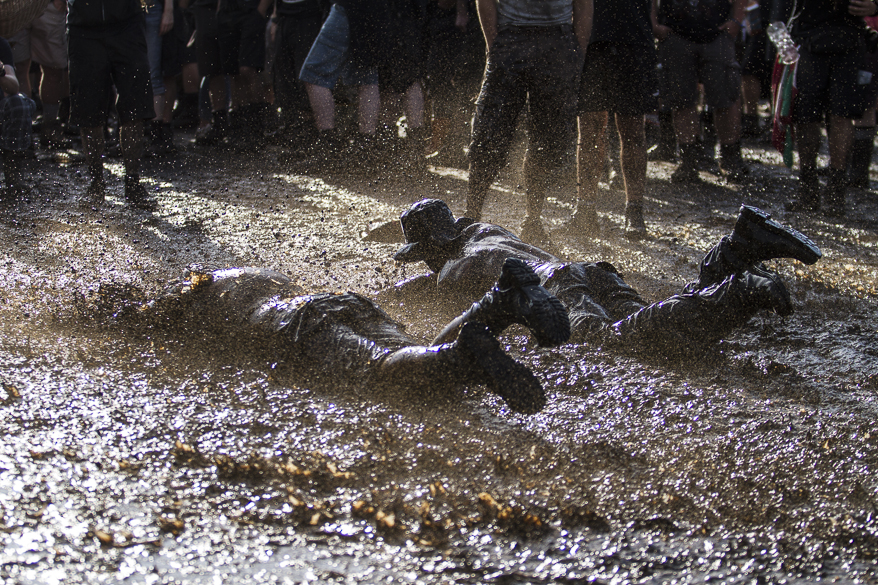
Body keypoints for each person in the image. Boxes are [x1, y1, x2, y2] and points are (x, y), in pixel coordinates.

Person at [136, 259, 572, 414]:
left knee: (378, 369)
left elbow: (149, 317)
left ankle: (465, 356)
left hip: (298, 321)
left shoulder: (202, 294)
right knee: (411, 351)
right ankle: (497, 302)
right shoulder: (253, 276)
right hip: (343, 301)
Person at [392, 199, 822, 355]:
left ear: (430, 250)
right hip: (588, 271)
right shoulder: (485, 232)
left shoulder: (452, 270)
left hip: (558, 287)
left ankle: (741, 288)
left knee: (611, 340)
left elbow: (442, 295)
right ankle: (739, 250)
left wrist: (400, 294)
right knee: (656, 327)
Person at [464, 0, 592, 247]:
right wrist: (495, 46)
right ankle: (470, 218)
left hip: (558, 39)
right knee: (488, 132)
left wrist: (577, 50)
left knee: (548, 139)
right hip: (512, 35)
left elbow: (584, 3)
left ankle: (532, 220)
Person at [573, 0, 659, 239]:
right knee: (589, 130)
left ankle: (635, 213)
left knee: (632, 130)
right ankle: (585, 212)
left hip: (633, 41)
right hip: (592, 41)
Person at [785, 0, 878, 216]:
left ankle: (836, 193)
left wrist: (875, 6)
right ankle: (808, 188)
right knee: (805, 117)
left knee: (842, 115)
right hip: (808, 37)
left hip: (849, 41)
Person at [66, 0, 157, 210]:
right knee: (88, 110)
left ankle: (133, 181)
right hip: (83, 29)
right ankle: (96, 183)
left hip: (126, 25)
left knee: (135, 105)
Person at [654, 0, 749, 183]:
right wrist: (654, 25)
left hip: (717, 33)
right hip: (676, 34)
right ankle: (688, 161)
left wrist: (736, 21)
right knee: (681, 101)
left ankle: (730, 159)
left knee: (725, 99)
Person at [8, 0, 69, 150]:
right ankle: (21, 133)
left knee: (54, 69)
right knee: (18, 68)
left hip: (48, 6)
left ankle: (50, 126)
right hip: (14, 7)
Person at [0, 36, 36, 200]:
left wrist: (1, 74)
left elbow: (14, 87)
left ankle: (12, 174)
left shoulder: (1, 44)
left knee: (20, 104)